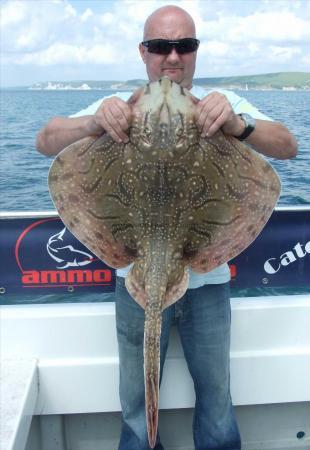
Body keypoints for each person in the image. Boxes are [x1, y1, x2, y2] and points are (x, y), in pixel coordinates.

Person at [37, 5, 297, 450]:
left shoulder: (222, 107)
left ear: (196, 52)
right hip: (134, 281)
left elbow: (288, 145)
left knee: (217, 403)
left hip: (208, 283)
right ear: (144, 53)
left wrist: (237, 125)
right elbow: (45, 140)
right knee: (136, 407)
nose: (172, 56)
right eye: (161, 46)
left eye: (184, 45)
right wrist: (95, 122)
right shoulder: (118, 108)